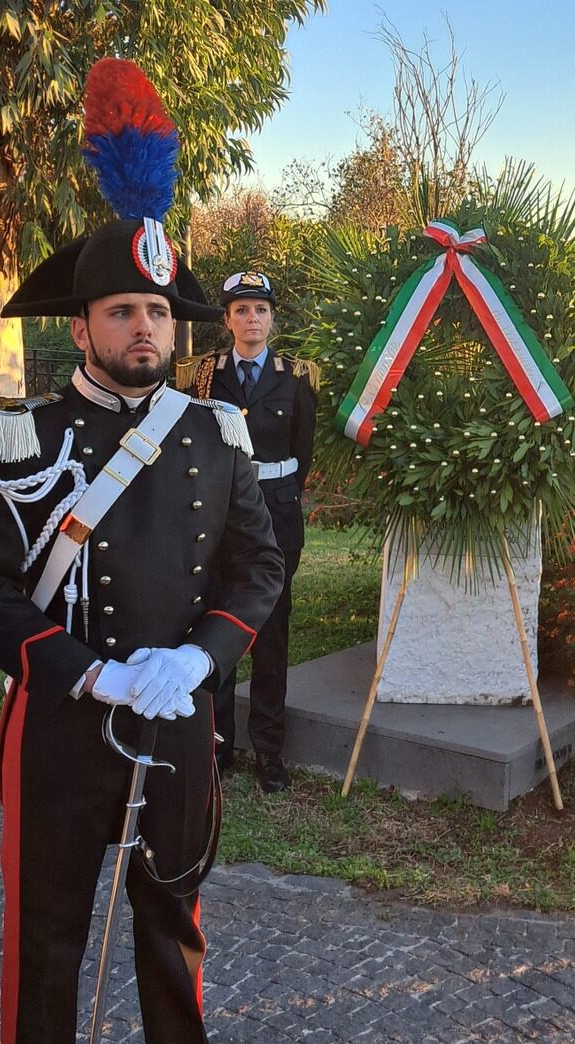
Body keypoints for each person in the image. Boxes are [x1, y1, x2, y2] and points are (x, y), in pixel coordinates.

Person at [0, 59, 284, 1044]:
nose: (147, 329)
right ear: (81, 325)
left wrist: (204, 656)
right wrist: (86, 676)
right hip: (60, 728)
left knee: (174, 947)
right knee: (45, 952)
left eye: (160, 312)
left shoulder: (217, 435)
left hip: (178, 725)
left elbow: (258, 565)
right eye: (125, 311)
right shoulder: (21, 435)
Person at [177, 271, 317, 793]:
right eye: (241, 310)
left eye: (260, 310)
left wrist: (276, 492)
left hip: (277, 518)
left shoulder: (296, 376)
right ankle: (217, 746)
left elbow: (303, 453)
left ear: (271, 317)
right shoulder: (202, 376)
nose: (251, 319)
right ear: (227, 319)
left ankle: (269, 752)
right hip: (216, 519)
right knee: (217, 624)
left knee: (272, 633)